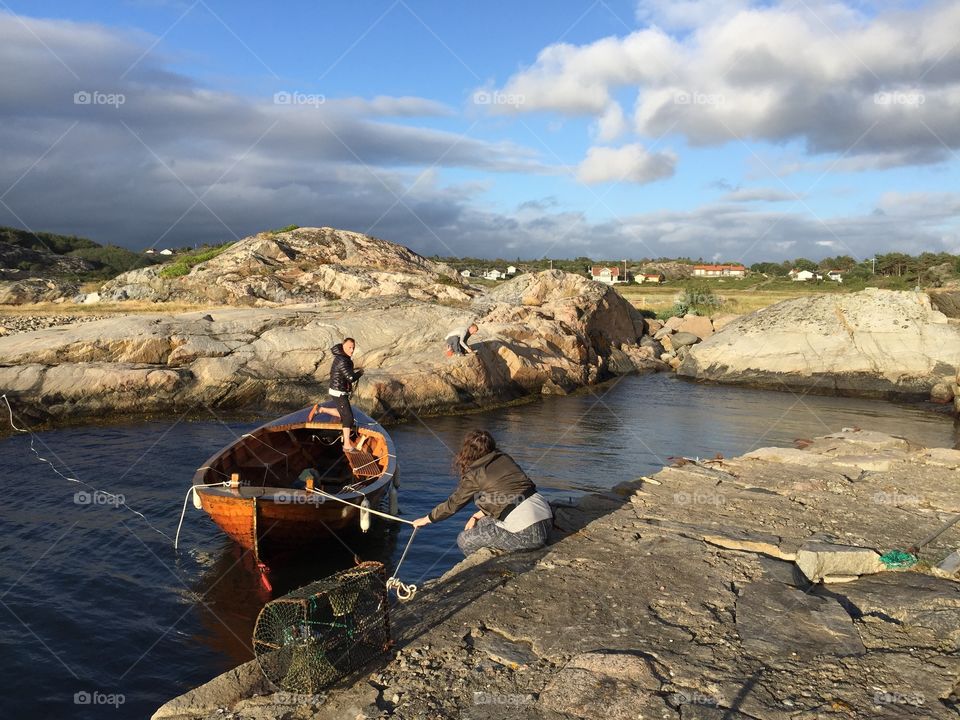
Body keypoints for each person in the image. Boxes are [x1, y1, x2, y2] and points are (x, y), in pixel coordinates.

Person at [412, 430, 553, 556]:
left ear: (467, 451)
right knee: (482, 523)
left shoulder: (474, 474)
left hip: (529, 534)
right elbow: (513, 497)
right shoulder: (504, 458)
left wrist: (426, 519)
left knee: (464, 540)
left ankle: (484, 567)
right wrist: (476, 516)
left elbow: (453, 505)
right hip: (547, 519)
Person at [308, 338, 363, 452]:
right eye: (349, 347)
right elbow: (351, 378)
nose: (352, 350)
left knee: (343, 414)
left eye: (353, 347)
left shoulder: (342, 357)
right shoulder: (343, 360)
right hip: (339, 392)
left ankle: (320, 410)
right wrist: (360, 373)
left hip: (337, 390)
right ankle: (346, 445)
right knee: (348, 418)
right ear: (343, 347)